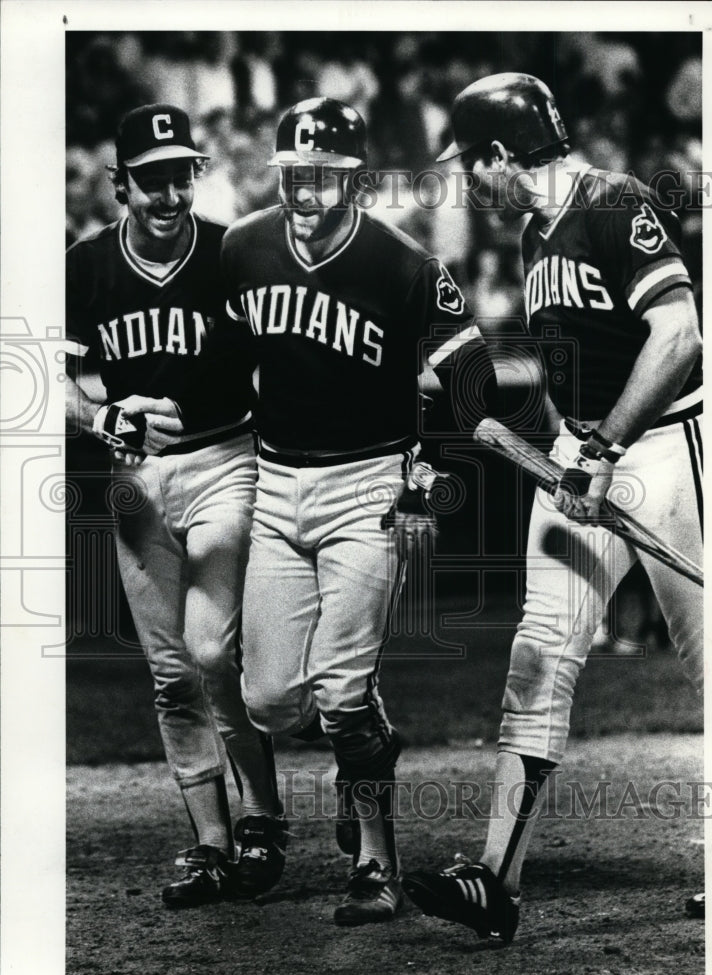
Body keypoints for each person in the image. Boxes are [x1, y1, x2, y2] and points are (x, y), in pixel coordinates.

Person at [402, 73, 704, 943]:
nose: (466, 181)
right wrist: (569, 447)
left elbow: (679, 336)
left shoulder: (613, 202)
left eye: (470, 164)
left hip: (666, 450)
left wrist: (603, 450)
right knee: (538, 653)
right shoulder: (536, 232)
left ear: (501, 154)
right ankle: (494, 881)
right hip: (586, 454)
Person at [219, 97, 499, 926]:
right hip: (274, 485)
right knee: (269, 701)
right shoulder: (243, 246)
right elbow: (223, 363)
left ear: (356, 179)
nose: (308, 186)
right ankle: (363, 745)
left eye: (327, 174)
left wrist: (434, 459)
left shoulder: (401, 262)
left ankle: (376, 862)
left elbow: (468, 365)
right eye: (296, 172)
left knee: (340, 691)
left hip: (366, 487)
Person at [65, 103, 281, 908]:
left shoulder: (234, 251)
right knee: (170, 676)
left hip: (229, 459)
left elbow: (282, 356)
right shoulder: (83, 266)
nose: (168, 195)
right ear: (120, 183)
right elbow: (44, 388)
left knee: (212, 652)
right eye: (150, 179)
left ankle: (263, 818)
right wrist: (99, 415)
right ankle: (212, 844)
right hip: (134, 477)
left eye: (180, 176)